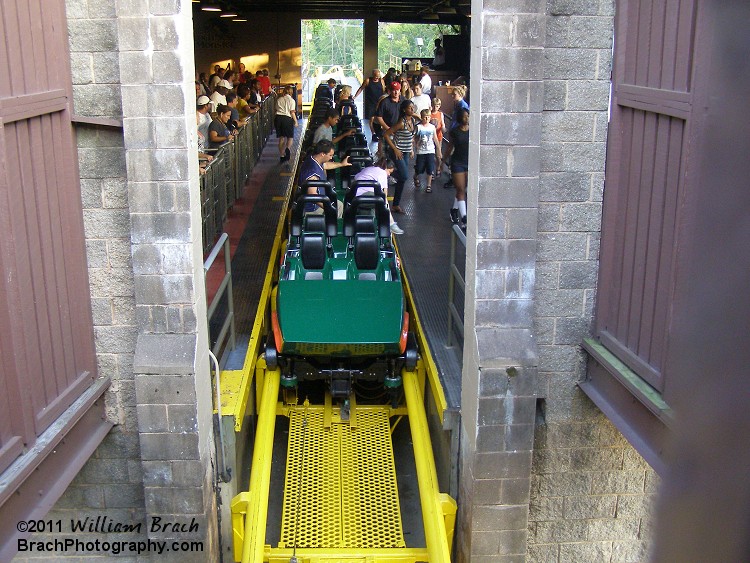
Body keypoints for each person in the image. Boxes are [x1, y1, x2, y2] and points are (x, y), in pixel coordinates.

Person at [298, 139, 350, 217]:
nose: (331, 158)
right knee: (338, 207)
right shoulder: (312, 173)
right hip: (313, 208)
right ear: (322, 154)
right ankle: (333, 225)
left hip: (321, 198)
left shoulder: (313, 158)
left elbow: (326, 165)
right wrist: (328, 207)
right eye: (330, 155)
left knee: (339, 204)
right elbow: (312, 195)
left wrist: (341, 164)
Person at [383, 99, 417, 214]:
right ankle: (385, 172)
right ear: (404, 110)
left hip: (406, 152)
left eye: (413, 107)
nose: (412, 109)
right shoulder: (401, 123)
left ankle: (396, 204)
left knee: (402, 180)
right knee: (404, 175)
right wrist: (395, 149)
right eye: (410, 108)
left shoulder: (412, 120)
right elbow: (386, 134)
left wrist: (411, 149)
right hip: (398, 152)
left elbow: (411, 138)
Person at [353, 157, 404, 235]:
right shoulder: (383, 173)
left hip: (354, 198)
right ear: (386, 168)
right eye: (389, 172)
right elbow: (384, 195)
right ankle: (390, 224)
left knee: (371, 208)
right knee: (381, 201)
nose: (389, 175)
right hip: (368, 197)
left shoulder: (368, 168)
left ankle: (369, 228)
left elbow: (355, 177)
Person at [446, 108, 469, 228]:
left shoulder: (473, 131)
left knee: (463, 189)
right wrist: (442, 161)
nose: (467, 118)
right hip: (457, 163)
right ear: (460, 118)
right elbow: (450, 147)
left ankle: (454, 209)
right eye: (465, 116)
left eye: (468, 116)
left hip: (468, 163)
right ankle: (464, 218)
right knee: (460, 189)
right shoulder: (455, 132)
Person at [414, 109, 442, 193]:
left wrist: (439, 150)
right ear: (422, 118)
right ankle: (416, 175)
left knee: (430, 168)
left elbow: (435, 139)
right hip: (421, 151)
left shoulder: (432, 127)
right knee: (419, 168)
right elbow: (415, 138)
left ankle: (428, 185)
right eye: (425, 117)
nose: (427, 119)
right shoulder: (419, 127)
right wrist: (415, 146)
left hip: (430, 150)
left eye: (428, 117)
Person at [374, 81, 403, 158]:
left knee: (400, 152)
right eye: (394, 90)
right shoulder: (385, 102)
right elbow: (379, 117)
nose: (396, 92)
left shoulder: (404, 101)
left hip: (400, 132)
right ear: (390, 91)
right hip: (387, 130)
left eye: (397, 90)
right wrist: (387, 128)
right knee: (386, 152)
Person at [354, 69, 385, 135]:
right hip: (371, 102)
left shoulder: (381, 81)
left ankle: (378, 131)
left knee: (379, 118)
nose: (377, 77)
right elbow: (361, 88)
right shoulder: (368, 81)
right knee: (371, 118)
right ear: (373, 75)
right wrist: (355, 96)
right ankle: (373, 132)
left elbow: (384, 90)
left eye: (378, 76)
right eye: (376, 76)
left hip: (379, 102)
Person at [275, 85, 298, 163]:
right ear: (291, 92)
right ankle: (287, 148)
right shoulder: (292, 100)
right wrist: (296, 121)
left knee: (281, 138)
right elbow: (292, 112)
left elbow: (276, 109)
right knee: (290, 137)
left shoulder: (279, 99)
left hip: (278, 118)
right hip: (287, 119)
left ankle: (281, 155)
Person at [430, 97, 446, 175]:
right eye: (434, 105)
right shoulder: (429, 113)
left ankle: (438, 167)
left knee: (438, 154)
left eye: (437, 106)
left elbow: (442, 123)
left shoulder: (440, 114)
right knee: (431, 155)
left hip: (438, 135)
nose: (435, 107)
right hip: (430, 137)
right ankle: (431, 170)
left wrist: (443, 128)